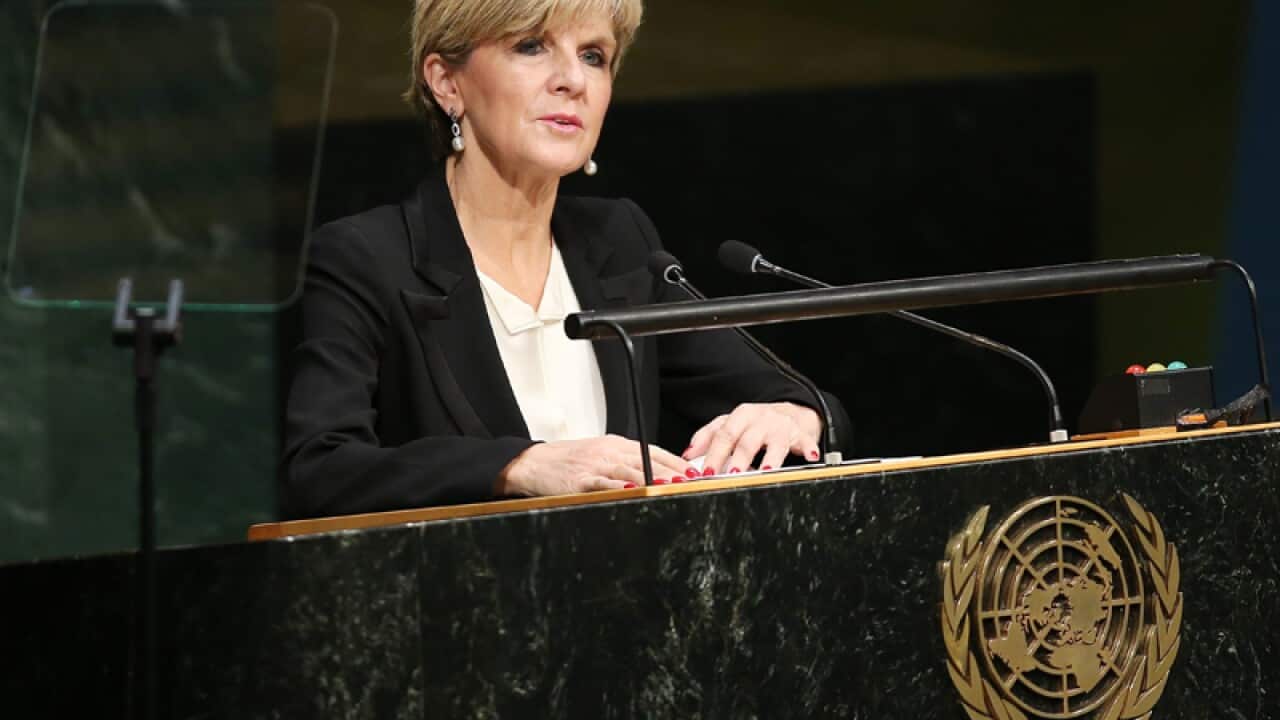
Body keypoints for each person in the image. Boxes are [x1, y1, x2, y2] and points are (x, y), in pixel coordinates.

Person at [282, 0, 849, 519]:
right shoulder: (369, 257)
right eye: (531, 46)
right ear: (446, 82)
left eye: (594, 56)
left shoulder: (620, 242)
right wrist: (516, 466)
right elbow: (321, 469)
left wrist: (794, 416)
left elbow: (808, 404)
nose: (573, 81)